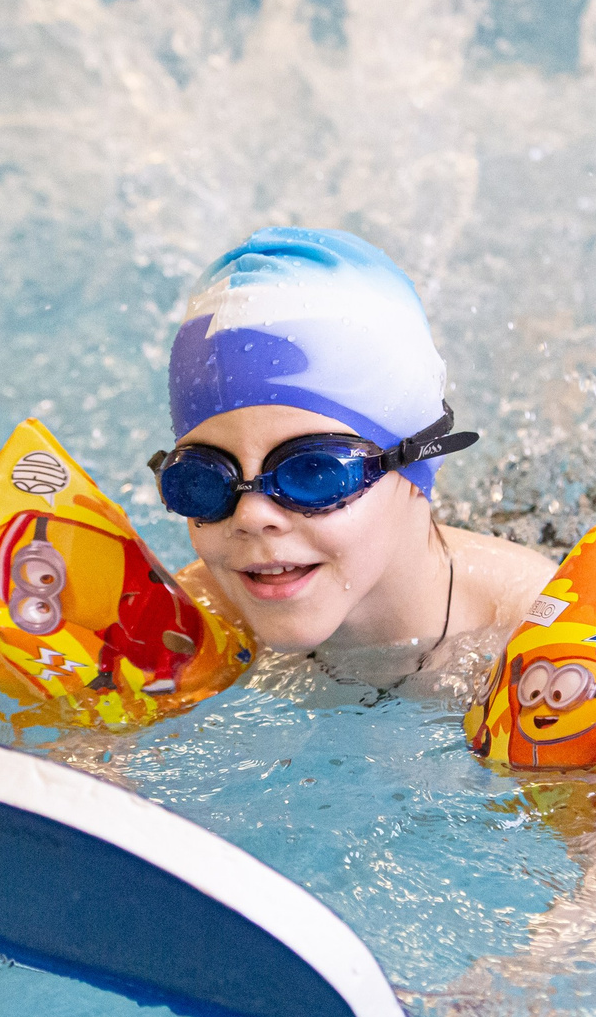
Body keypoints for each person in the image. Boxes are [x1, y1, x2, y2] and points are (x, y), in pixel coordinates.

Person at [149, 227, 556, 694]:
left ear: (414, 465)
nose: (251, 516)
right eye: (203, 480)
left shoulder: (538, 642)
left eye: (313, 472)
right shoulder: (194, 624)